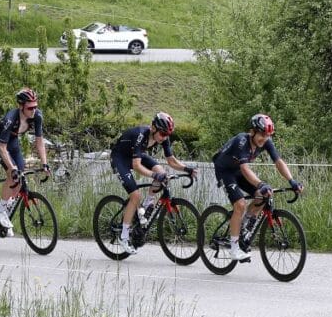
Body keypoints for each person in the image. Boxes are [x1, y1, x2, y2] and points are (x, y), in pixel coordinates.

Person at [212, 114, 303, 261]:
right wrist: (261, 184)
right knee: (240, 204)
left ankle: (243, 226)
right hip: (225, 171)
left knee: (262, 195)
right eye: (262, 134)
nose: (264, 138)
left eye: (268, 135)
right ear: (252, 131)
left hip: (239, 171)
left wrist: (292, 180)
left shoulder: (266, 141)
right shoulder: (242, 141)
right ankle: (234, 249)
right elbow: (245, 169)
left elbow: (278, 161)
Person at [110, 112, 196, 255]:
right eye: (162, 134)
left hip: (134, 156)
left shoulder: (163, 137)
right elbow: (137, 165)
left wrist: (187, 169)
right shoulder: (141, 135)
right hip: (120, 159)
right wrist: (153, 175)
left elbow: (171, 161)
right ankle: (123, 236)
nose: (165, 138)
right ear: (153, 128)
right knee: (135, 195)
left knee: (162, 173)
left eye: (168, 134)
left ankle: (147, 205)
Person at [0, 88, 49, 236]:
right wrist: (11, 167)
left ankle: (7, 210)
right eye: (30, 107)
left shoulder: (37, 117)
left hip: (13, 141)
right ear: (21, 106)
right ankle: (2, 211)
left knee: (20, 177)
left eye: (35, 106)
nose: (34, 110)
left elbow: (39, 142)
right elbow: (2, 148)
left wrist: (45, 163)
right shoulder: (11, 118)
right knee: (12, 172)